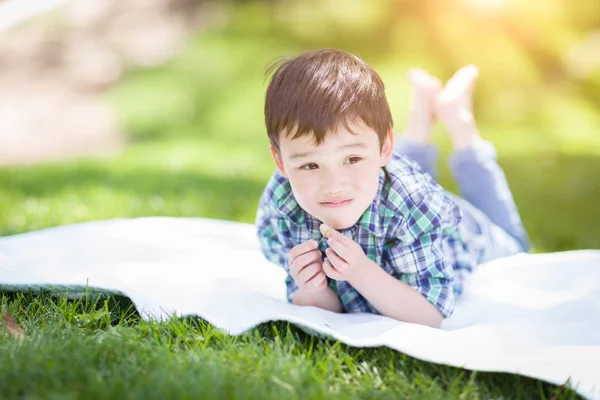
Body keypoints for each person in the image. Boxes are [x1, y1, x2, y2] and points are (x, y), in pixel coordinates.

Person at [255, 49, 530, 328]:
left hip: (462, 231)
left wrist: (362, 272)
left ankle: (460, 122)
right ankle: (422, 113)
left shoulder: (413, 204)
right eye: (310, 166)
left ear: (386, 148)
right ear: (281, 161)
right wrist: (313, 289)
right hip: (386, 189)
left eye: (352, 159)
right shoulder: (283, 205)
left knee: (517, 246)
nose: (333, 185)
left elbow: (430, 314)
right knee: (378, 175)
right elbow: (326, 312)